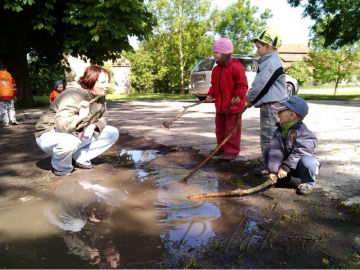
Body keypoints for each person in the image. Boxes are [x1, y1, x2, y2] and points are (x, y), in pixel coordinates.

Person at [35, 65, 119, 176]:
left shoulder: (99, 95)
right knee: (69, 142)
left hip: (73, 132)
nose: (107, 85)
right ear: (91, 81)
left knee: (112, 133)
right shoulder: (73, 95)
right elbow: (60, 125)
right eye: (103, 82)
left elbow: (104, 117)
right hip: (48, 134)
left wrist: (93, 126)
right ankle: (62, 168)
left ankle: (79, 157)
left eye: (108, 81)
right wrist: (80, 116)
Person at [265, 96, 320, 195]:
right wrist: (273, 171)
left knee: (308, 160)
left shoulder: (304, 133)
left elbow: (301, 151)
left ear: (292, 115)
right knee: (269, 150)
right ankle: (283, 179)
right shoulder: (279, 131)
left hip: (300, 167)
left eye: (280, 112)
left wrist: (286, 167)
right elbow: (275, 151)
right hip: (287, 167)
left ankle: (308, 183)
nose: (278, 114)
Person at [205, 38, 248, 160]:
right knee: (220, 128)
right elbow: (214, 85)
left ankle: (231, 150)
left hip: (233, 105)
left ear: (224, 53)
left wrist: (238, 96)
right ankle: (221, 147)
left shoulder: (236, 67)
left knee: (231, 129)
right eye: (214, 52)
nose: (214, 55)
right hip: (220, 105)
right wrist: (210, 94)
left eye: (216, 52)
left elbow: (242, 85)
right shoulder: (216, 70)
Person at [246, 28, 287, 157]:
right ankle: (274, 166)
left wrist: (250, 99)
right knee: (273, 134)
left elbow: (261, 84)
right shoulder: (271, 60)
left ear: (267, 46)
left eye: (258, 47)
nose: (256, 50)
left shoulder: (270, 63)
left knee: (269, 136)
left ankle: (272, 168)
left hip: (271, 106)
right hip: (272, 104)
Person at [0, 61, 19, 126]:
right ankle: (13, 120)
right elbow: (14, 86)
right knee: (11, 108)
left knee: (3, 109)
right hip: (10, 95)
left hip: (1, 95)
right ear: (5, 69)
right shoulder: (10, 76)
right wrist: (15, 94)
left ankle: (5, 122)